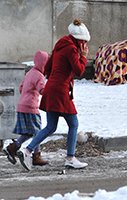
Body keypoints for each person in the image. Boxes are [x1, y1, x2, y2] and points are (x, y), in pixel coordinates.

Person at [17, 19, 90, 171]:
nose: (84, 45)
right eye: (84, 42)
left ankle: (27, 150)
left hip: (52, 88)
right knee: (74, 124)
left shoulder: (59, 46)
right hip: (60, 91)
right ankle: (70, 158)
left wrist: (54, 80)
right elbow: (79, 70)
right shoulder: (71, 49)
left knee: (51, 126)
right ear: (79, 40)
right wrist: (83, 56)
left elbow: (47, 68)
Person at [3, 50, 49, 166]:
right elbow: (42, 90)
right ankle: (36, 156)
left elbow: (21, 87)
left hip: (22, 106)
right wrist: (51, 90)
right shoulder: (39, 76)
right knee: (38, 132)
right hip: (31, 107)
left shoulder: (29, 73)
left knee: (29, 132)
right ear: (44, 64)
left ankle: (13, 147)